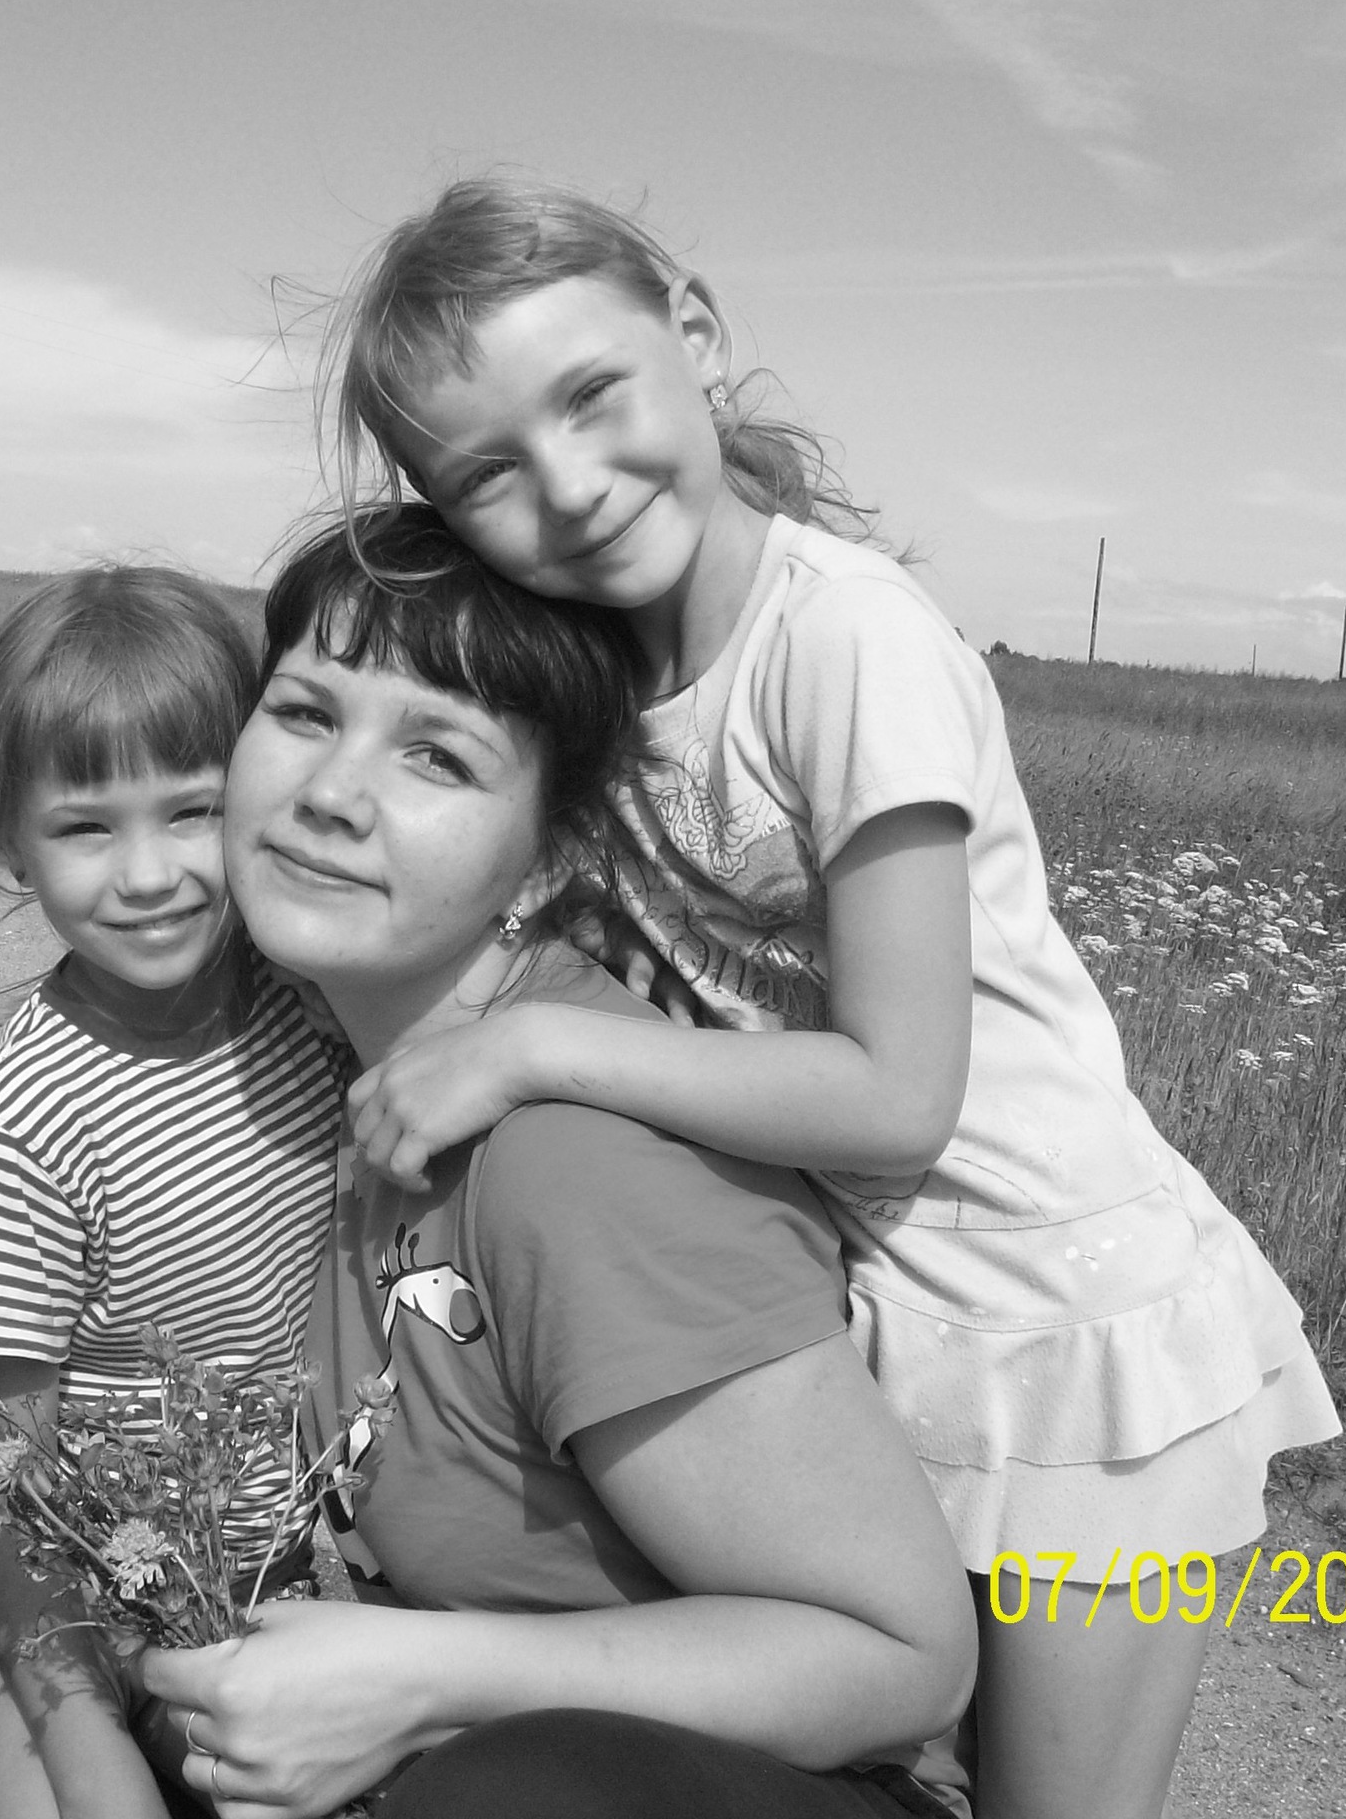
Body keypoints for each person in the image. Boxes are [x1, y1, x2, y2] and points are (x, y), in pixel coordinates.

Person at [317, 178, 1342, 1819]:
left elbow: (897, 1094)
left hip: (1061, 1325)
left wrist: (526, 1048)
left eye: (593, 394)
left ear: (698, 335)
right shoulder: (618, 669)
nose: (569, 484)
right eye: (489, 472)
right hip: (883, 1310)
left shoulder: (844, 641)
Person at [138, 509, 979, 1819]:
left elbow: (900, 1660)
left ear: (555, 856)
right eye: (304, 712)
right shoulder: (337, 1059)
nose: (331, 793)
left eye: (438, 755)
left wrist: (420, 1683)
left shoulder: (570, 1163)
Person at [0, 565, 347, 1819]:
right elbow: (6, 1483)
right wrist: (84, 1735)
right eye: (88, 828)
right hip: (65, 1588)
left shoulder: (307, 1001)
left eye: (194, 810)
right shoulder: (36, 1117)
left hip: (263, 1572)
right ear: (12, 842)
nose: (149, 875)